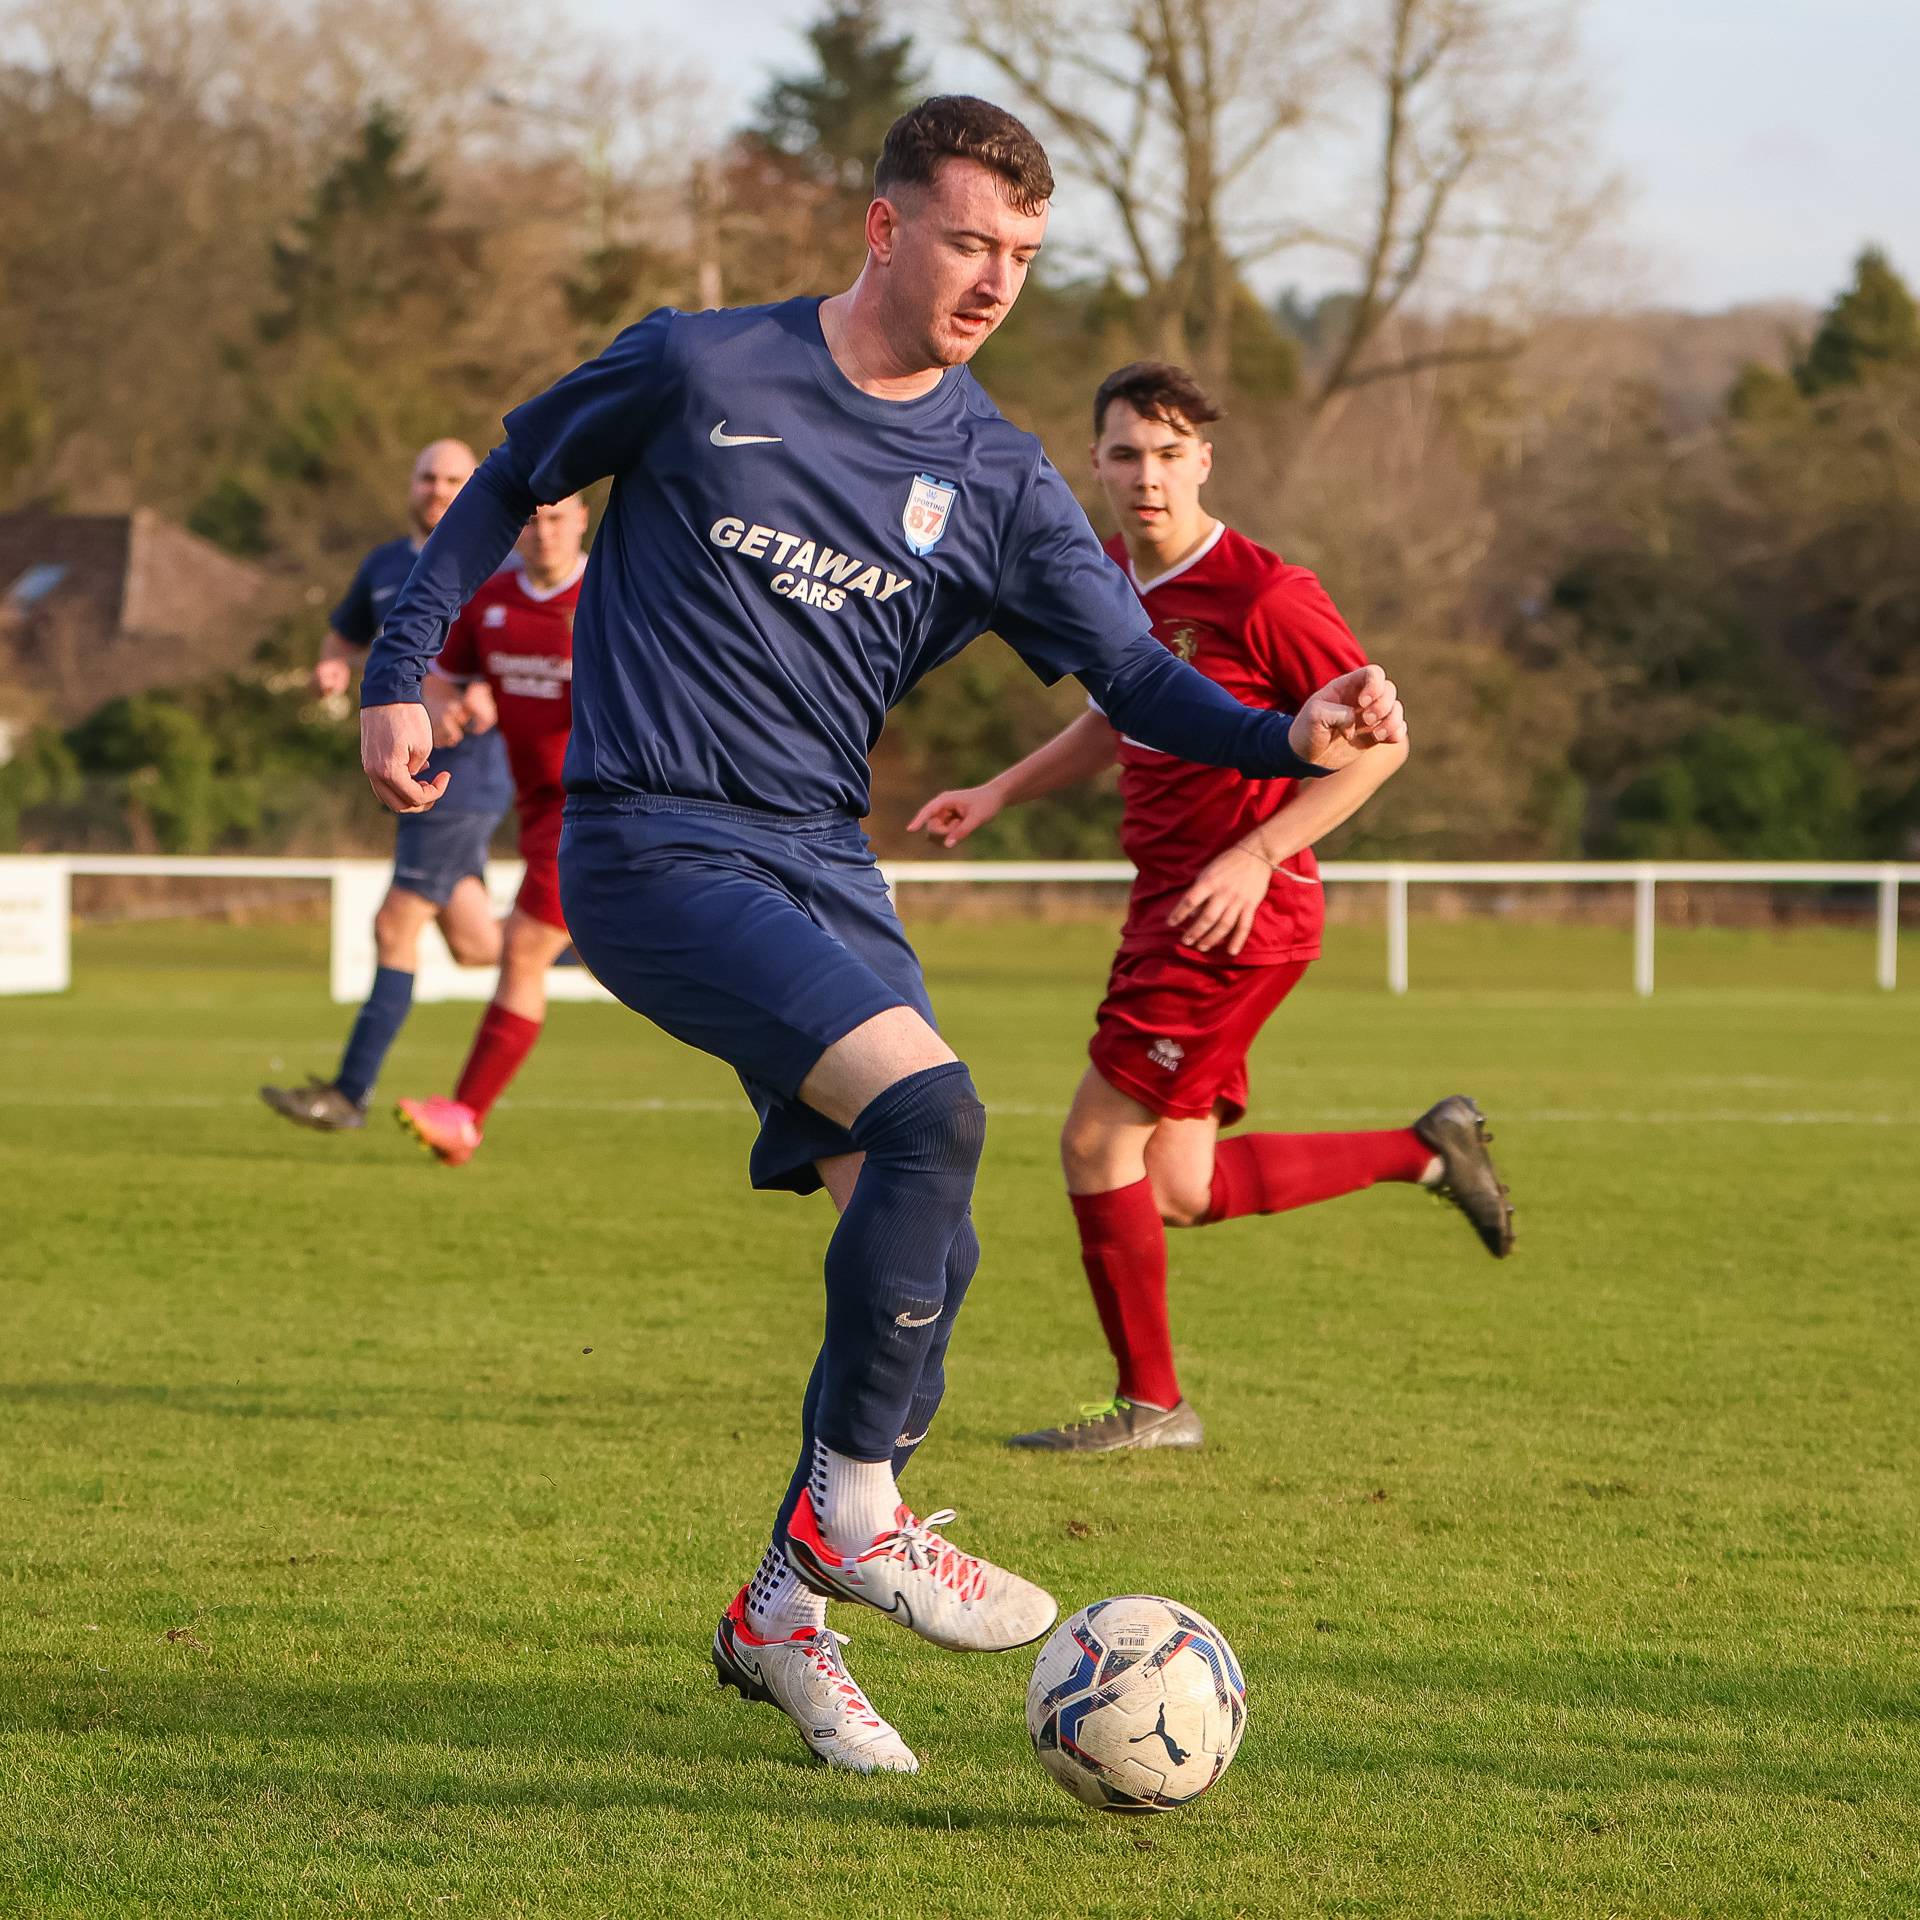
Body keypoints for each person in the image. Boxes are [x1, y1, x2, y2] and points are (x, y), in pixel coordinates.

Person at [357, 98, 1406, 1776]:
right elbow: (509, 481)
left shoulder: (996, 475)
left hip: (821, 865)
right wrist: (402, 664)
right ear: (885, 227)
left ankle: (784, 1612)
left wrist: (1289, 736)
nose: (996, 281)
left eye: (1025, 256)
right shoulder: (702, 365)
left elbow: (1138, 678)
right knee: (933, 1114)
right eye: (972, 241)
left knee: (930, 1250)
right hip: (650, 840)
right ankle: (857, 1516)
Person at [910, 362, 1513, 1457]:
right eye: (1126, 454)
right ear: (1094, 464)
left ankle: (1153, 1408)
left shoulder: (1266, 595)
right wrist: (1000, 790)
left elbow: (1383, 747)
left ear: (1203, 462)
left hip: (1233, 917)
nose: (1147, 476)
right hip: (1171, 903)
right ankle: (1424, 1149)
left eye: (1169, 453)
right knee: (1178, 1186)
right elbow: (1117, 716)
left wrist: (1256, 852)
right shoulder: (1104, 577)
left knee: (1096, 1143)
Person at [260, 440, 514, 1132]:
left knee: (393, 925)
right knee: (478, 945)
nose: (438, 489)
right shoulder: (382, 564)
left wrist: (489, 690)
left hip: (461, 778)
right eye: (428, 477)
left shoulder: (496, 563)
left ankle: (348, 1095)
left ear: (475, 485)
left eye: (454, 478)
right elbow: (342, 636)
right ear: (410, 485)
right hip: (409, 772)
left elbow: (521, 650)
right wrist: (332, 667)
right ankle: (588, 937)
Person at [394, 496, 590, 1166]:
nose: (544, 532)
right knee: (533, 951)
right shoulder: (493, 599)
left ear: (583, 520)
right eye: (532, 520)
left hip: (597, 809)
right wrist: (445, 703)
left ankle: (464, 1116)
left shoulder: (610, 595)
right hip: (536, 808)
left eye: (558, 519)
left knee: (523, 951)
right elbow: (440, 675)